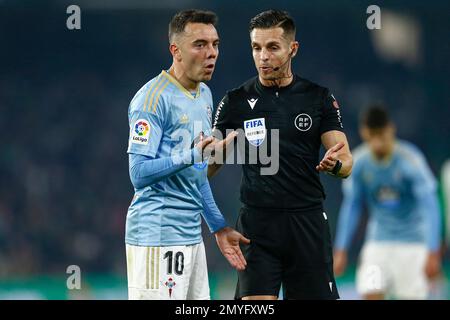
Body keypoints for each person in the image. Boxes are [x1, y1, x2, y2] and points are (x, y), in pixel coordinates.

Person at [209, 10, 353, 300]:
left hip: (307, 222)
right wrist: (216, 154)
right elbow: (207, 168)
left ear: (292, 49)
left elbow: (346, 161)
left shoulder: (318, 97)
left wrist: (336, 165)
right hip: (257, 227)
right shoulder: (234, 100)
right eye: (256, 48)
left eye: (273, 47)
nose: (263, 56)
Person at [125, 9, 249, 300]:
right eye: (200, 44)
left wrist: (217, 226)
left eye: (215, 44)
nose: (211, 53)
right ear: (175, 50)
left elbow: (195, 175)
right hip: (156, 237)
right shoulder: (152, 99)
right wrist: (191, 154)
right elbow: (138, 173)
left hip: (191, 238)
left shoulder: (204, 95)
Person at [333, 105, 442, 300]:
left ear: (391, 129)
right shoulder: (360, 162)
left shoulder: (410, 160)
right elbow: (352, 205)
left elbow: (430, 205)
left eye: (381, 135)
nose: (377, 143)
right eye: (372, 135)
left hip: (413, 245)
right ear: (364, 132)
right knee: (370, 292)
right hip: (378, 243)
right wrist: (341, 248)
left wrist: (433, 250)